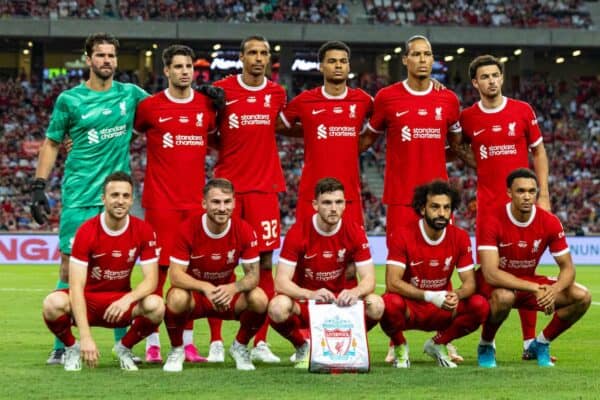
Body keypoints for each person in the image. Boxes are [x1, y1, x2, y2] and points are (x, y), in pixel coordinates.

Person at [31, 32, 149, 364]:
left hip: (116, 196)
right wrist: (39, 185)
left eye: (112, 55)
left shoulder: (130, 94)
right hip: (79, 194)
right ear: (88, 59)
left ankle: (121, 344)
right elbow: (52, 142)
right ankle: (63, 344)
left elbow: (166, 105)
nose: (107, 61)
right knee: (69, 269)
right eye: (100, 55)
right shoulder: (70, 100)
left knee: (120, 267)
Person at [361, 34, 466, 363]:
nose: (423, 59)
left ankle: (443, 340)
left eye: (428, 54)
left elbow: (457, 145)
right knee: (398, 271)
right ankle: (397, 340)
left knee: (444, 265)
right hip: (400, 197)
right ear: (404, 59)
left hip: (439, 199)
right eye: (416, 54)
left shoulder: (448, 100)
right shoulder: (387, 98)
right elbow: (367, 138)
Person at [459, 55, 551, 360]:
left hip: (525, 205)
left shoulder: (522, 110)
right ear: (475, 83)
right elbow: (456, 145)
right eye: (484, 77)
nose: (491, 81)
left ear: (502, 77)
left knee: (528, 269)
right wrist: (480, 164)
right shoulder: (468, 118)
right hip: (489, 207)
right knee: (491, 274)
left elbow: (538, 152)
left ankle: (529, 342)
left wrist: (544, 195)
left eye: (495, 75)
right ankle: (489, 339)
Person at [134, 44, 219, 363]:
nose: (185, 72)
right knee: (157, 275)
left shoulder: (205, 106)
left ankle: (187, 343)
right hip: (160, 204)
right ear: (166, 71)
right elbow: (128, 132)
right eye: (178, 66)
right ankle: (153, 344)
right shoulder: (150, 107)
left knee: (192, 276)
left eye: (189, 67)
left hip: (195, 206)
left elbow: (217, 134)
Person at [209, 35, 287, 363]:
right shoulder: (221, 90)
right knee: (218, 263)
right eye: (252, 53)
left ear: (269, 58)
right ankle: (214, 341)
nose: (258, 58)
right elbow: (208, 132)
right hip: (228, 189)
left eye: (263, 53)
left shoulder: (277, 93)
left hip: (264, 190)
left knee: (265, 263)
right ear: (240, 57)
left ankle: (260, 341)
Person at [42, 172, 164, 371]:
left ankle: (124, 348)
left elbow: (151, 281)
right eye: (114, 195)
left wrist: (127, 299)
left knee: (156, 305)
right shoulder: (86, 231)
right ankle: (72, 348)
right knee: (52, 303)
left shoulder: (143, 230)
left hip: (120, 304)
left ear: (132, 199)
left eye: (125, 196)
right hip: (88, 302)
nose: (120, 201)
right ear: (103, 199)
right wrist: (85, 337)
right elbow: (75, 286)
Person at [476, 168, 591, 368]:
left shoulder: (549, 221)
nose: (527, 197)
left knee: (582, 296)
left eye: (531, 191)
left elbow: (568, 269)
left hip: (528, 283)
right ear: (509, 193)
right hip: (492, 286)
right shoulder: (492, 219)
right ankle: (486, 344)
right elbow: (491, 273)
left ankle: (540, 344)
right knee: (504, 297)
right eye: (521, 191)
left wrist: (552, 291)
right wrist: (535, 289)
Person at [268, 177, 384, 369]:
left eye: (339, 202)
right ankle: (303, 345)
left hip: (341, 304)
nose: (333, 208)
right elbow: (280, 282)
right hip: (307, 303)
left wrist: (355, 292)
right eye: (327, 202)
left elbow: (369, 279)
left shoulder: (354, 232)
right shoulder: (298, 232)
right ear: (315, 205)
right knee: (277, 307)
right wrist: (310, 294)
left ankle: (350, 343)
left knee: (377, 304)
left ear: (345, 204)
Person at [162, 178, 268, 372]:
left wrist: (233, 288)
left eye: (227, 202)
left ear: (234, 203)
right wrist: (205, 287)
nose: (222, 208)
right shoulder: (187, 228)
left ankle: (240, 346)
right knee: (176, 297)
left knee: (259, 298)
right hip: (197, 296)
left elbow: (254, 276)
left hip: (227, 296)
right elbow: (175, 276)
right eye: (216, 202)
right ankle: (177, 349)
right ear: (204, 203)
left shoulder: (244, 230)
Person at [380, 180, 489, 368]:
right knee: (388, 304)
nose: (441, 213)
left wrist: (457, 294)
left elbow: (470, 283)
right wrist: (430, 295)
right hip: (410, 309)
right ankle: (399, 345)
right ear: (422, 209)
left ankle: (439, 343)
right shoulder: (402, 235)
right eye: (435, 207)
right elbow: (392, 283)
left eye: (447, 208)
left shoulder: (460, 237)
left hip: (442, 309)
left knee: (480, 305)